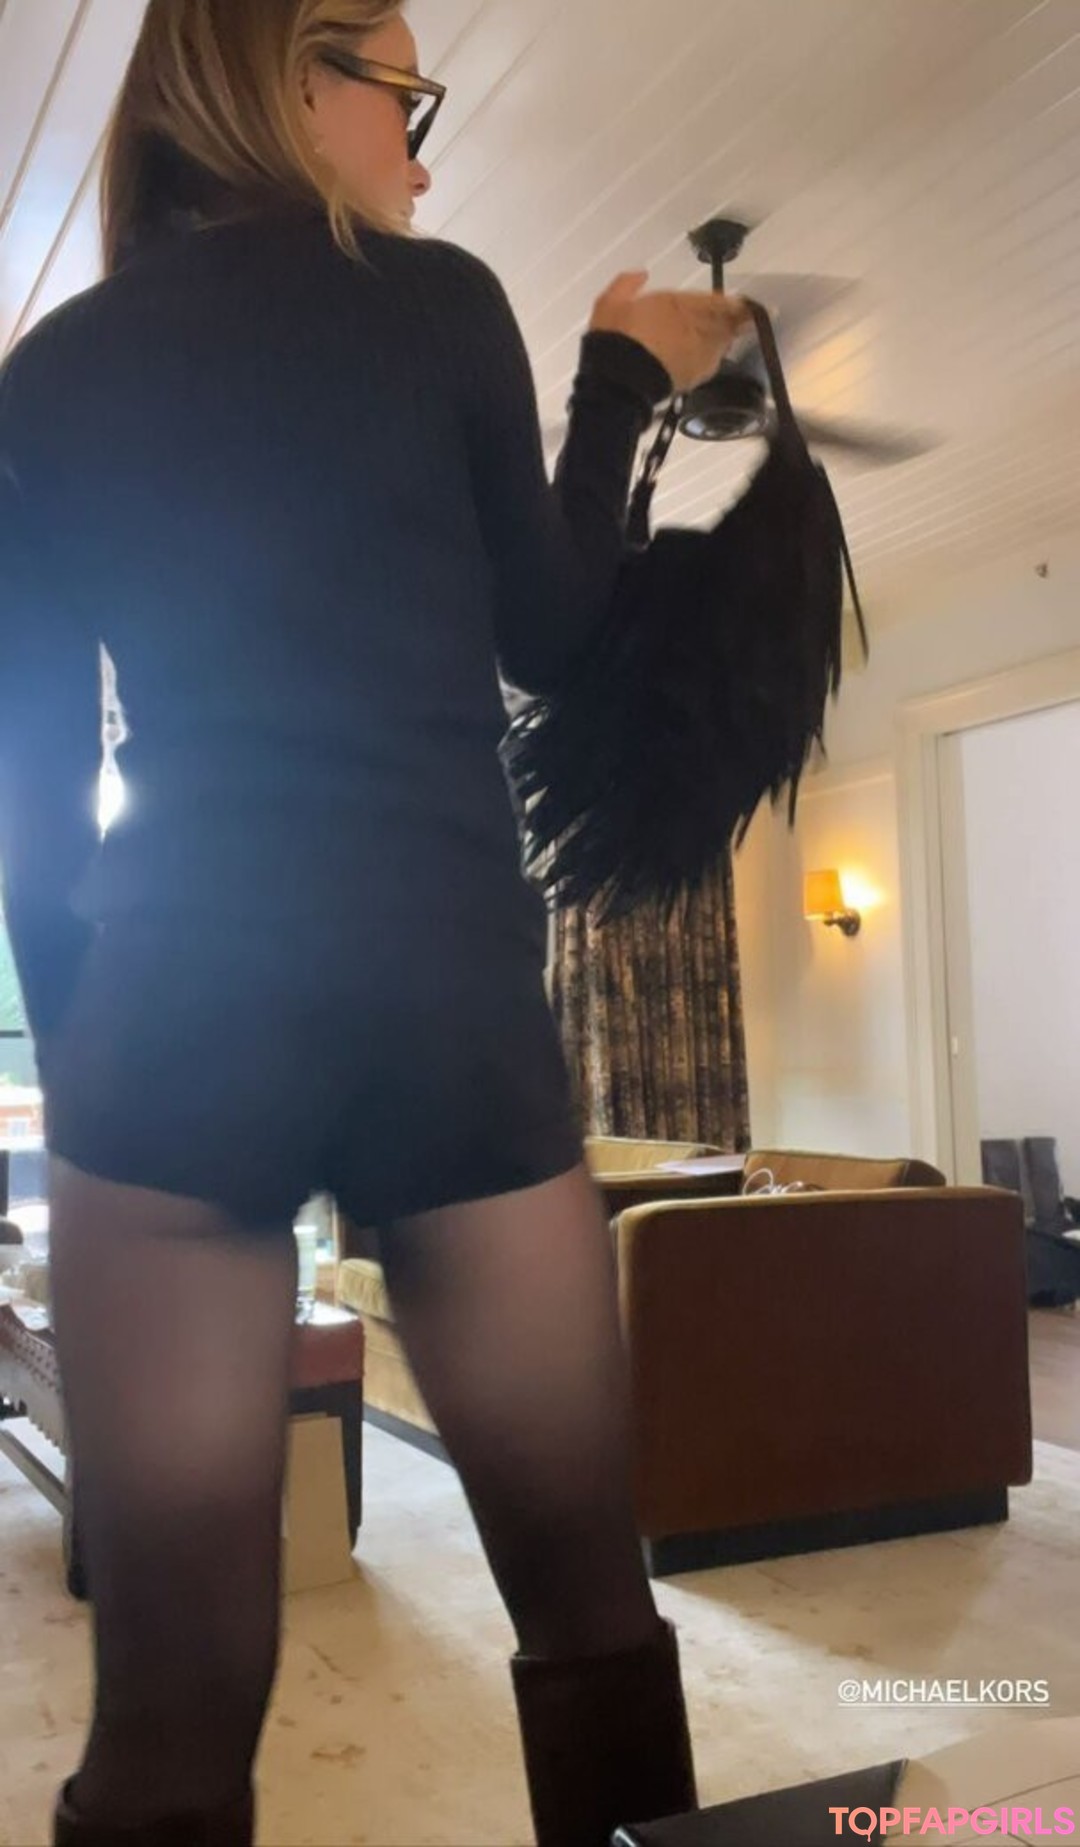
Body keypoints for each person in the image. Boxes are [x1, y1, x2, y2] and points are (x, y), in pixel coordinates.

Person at [0, 4, 749, 1843]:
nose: (422, 148)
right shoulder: (438, 305)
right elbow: (552, 634)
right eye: (408, 96)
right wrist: (620, 376)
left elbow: (27, 776)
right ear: (293, 74)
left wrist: (92, 1052)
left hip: (180, 1009)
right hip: (440, 999)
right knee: (591, 1620)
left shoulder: (51, 374)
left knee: (169, 1716)